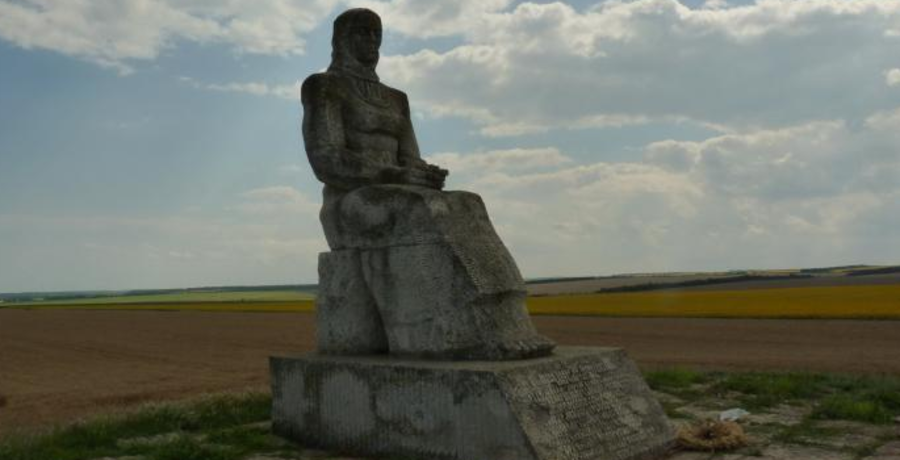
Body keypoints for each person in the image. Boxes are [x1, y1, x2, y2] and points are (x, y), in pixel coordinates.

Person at [301, 8, 554, 360]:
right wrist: (395, 175)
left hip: (397, 191)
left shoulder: (396, 98)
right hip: (350, 202)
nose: (371, 40)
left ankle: (508, 321)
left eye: (376, 33)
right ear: (342, 39)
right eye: (362, 32)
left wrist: (425, 173)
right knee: (422, 208)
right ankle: (465, 333)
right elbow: (326, 159)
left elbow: (410, 159)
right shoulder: (324, 87)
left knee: (468, 202)